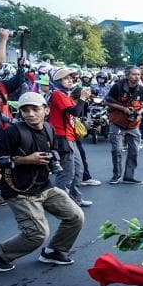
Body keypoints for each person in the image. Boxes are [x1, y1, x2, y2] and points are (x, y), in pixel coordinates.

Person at [0, 92, 84, 274]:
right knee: (37, 234)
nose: (30, 114)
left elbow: (54, 150)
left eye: (34, 109)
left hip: (44, 186)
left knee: (75, 216)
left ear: (46, 110)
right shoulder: (12, 132)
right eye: (25, 110)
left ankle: (54, 251)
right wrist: (25, 160)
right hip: (19, 191)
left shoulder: (49, 128)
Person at [48, 68, 92, 207]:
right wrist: (83, 98)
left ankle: (74, 198)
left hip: (70, 136)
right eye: (66, 78)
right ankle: (61, 203)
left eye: (71, 78)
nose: (70, 80)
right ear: (58, 80)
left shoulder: (65, 94)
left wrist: (83, 100)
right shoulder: (57, 94)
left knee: (78, 170)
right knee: (67, 172)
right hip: (62, 136)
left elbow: (79, 112)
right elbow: (75, 111)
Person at [104, 65, 143, 185]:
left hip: (133, 124)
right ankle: (116, 175)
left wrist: (139, 112)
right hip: (117, 122)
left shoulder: (142, 90)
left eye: (138, 74)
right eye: (134, 74)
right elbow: (107, 101)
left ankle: (129, 176)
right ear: (127, 75)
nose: (137, 76)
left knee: (134, 150)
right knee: (117, 150)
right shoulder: (117, 87)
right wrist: (123, 109)